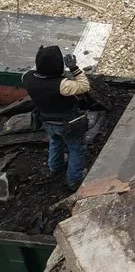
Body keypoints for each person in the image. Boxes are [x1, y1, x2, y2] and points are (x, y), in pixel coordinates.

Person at [22, 45, 90, 191]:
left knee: (55, 142)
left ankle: (55, 167)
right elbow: (84, 86)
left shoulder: (27, 78)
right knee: (76, 148)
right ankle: (74, 180)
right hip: (67, 122)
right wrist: (74, 68)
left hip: (46, 120)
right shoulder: (62, 85)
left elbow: (36, 72)